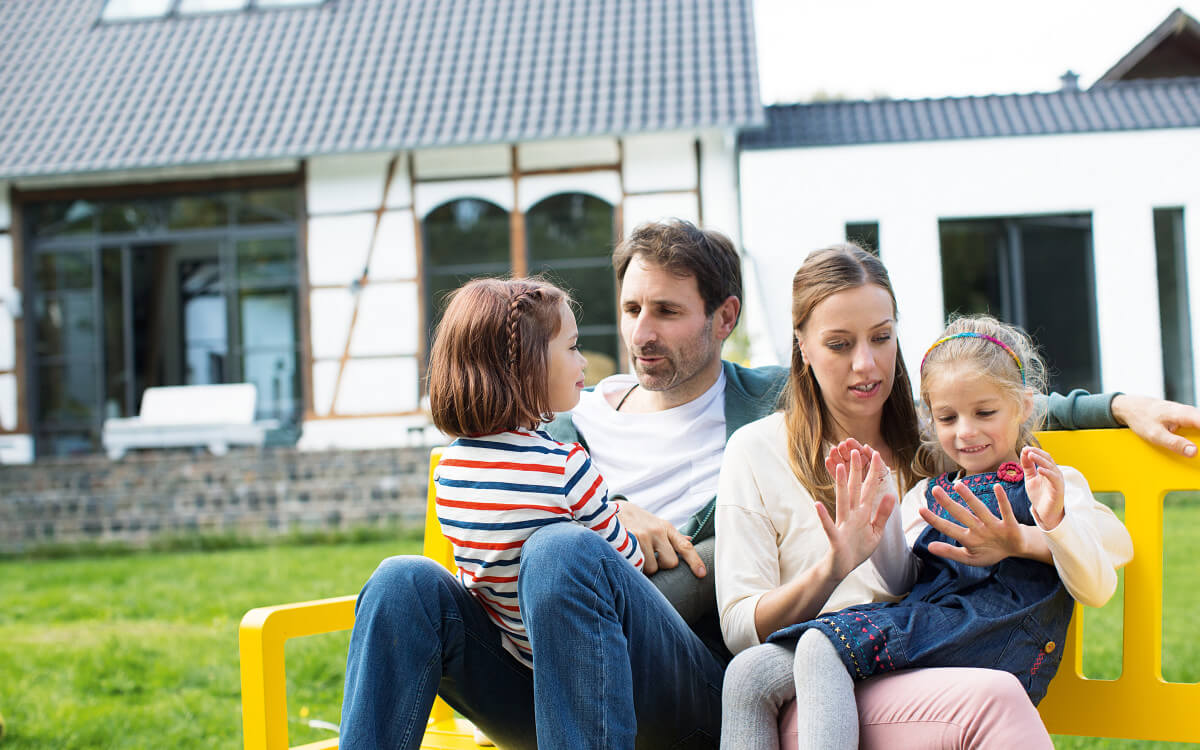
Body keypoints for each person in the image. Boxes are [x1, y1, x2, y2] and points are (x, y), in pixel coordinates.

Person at [340, 221, 1200, 750]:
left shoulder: (764, 406)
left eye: (668, 311)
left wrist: (1116, 401)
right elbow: (501, 466)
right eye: (630, 309)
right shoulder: (567, 425)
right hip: (547, 672)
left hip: (678, 672)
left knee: (567, 552)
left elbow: (982, 405)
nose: (640, 332)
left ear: (725, 322)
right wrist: (610, 505)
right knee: (401, 580)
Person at [719, 304, 1133, 749]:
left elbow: (1097, 585)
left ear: (1023, 408)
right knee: (750, 673)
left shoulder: (1049, 486)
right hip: (930, 634)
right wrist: (881, 519)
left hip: (993, 639)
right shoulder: (931, 494)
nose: (966, 432)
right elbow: (902, 582)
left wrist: (1036, 532)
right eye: (948, 418)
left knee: (822, 645)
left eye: (985, 412)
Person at [427, 278, 644, 670]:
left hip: (506, 664)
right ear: (527, 364)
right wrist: (624, 523)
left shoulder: (449, 471)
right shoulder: (565, 466)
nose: (582, 363)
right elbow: (629, 566)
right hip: (591, 662)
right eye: (573, 347)